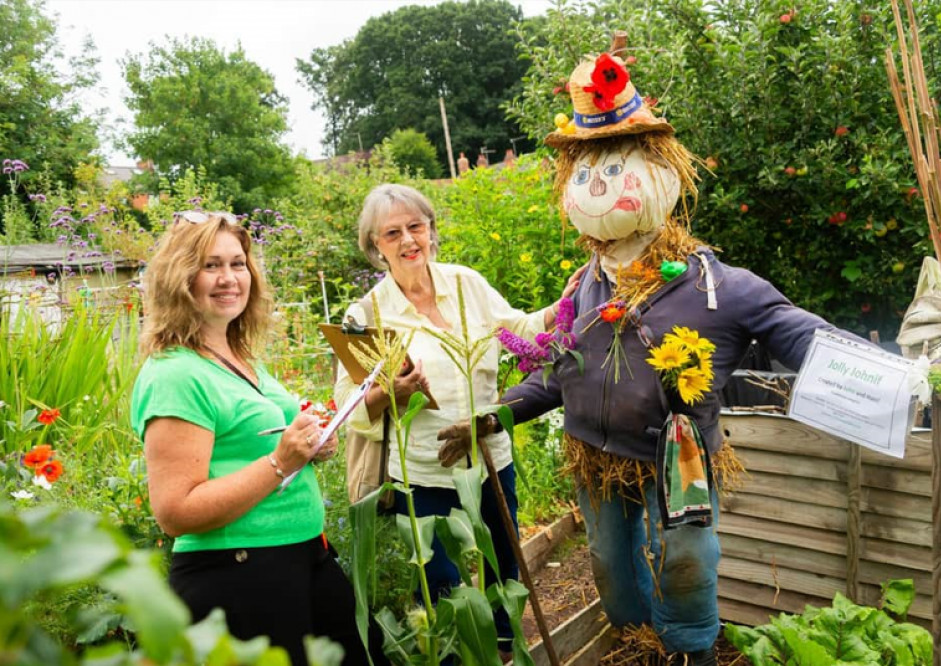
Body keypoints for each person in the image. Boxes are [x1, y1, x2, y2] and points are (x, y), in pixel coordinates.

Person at [437, 44, 861, 666]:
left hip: (679, 454)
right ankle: (635, 639)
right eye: (584, 177)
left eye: (614, 172)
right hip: (595, 452)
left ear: (663, 175)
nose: (597, 189)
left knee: (688, 559)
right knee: (609, 561)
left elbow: (800, 335)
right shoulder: (582, 288)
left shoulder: (717, 286)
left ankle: (690, 649)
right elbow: (559, 375)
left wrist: (893, 377)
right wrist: (495, 415)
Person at [131, 210, 388, 666]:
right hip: (237, 576)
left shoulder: (237, 356)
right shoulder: (175, 374)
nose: (229, 277)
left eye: (237, 263)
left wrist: (314, 443)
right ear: (178, 278)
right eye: (210, 265)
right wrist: (281, 462)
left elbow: (258, 446)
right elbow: (175, 512)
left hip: (303, 558)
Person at [334, 184, 580, 655]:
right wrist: (394, 393)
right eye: (392, 233)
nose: (408, 240)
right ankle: (463, 654)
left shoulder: (466, 284)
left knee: (505, 568)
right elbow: (348, 404)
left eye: (416, 226)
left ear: (431, 231)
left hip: (490, 457)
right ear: (375, 247)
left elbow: (518, 331)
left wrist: (561, 305)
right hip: (423, 472)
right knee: (443, 582)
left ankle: (506, 649)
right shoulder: (366, 314)